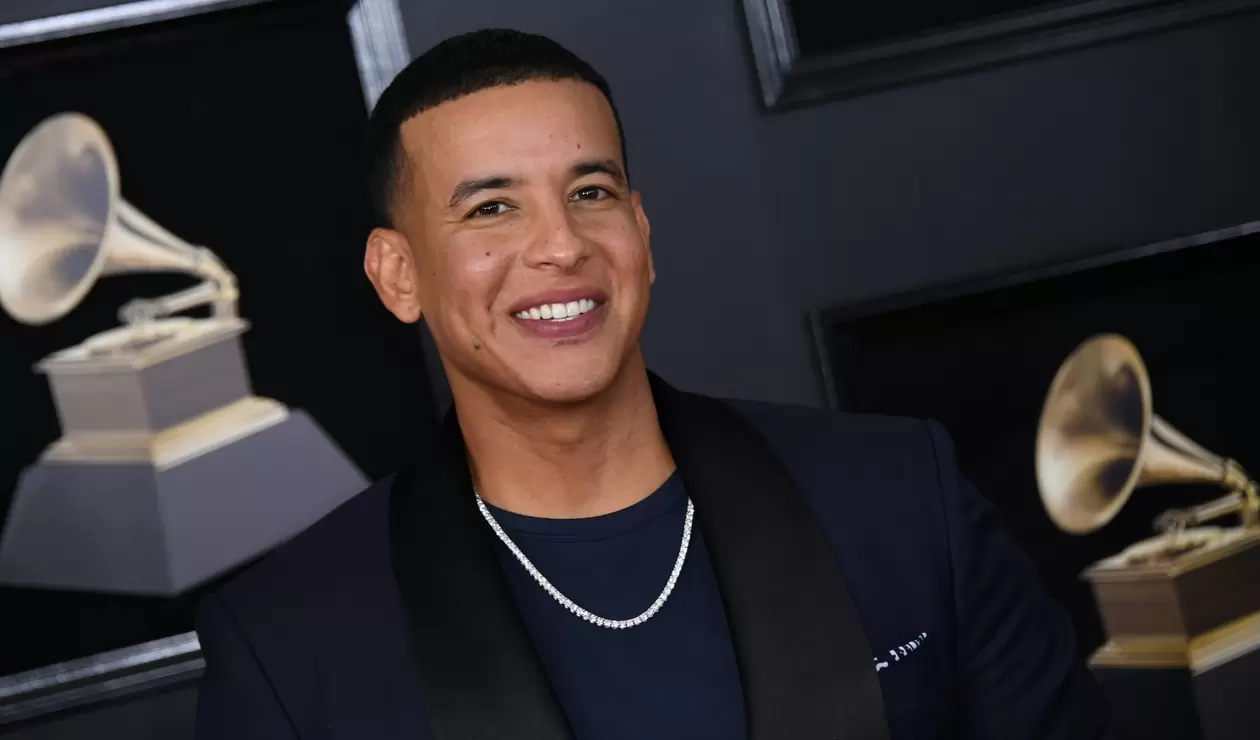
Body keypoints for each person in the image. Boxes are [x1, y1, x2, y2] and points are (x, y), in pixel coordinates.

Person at [194, 28, 1110, 740]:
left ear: (641, 231)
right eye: (492, 207)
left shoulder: (902, 498)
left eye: (590, 193)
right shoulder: (291, 641)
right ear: (398, 276)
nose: (561, 245)